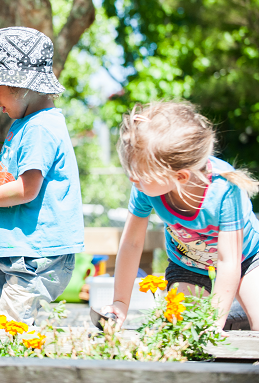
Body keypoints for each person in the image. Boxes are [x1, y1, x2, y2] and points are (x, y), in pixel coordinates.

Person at [0, 27, 85, 325]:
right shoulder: (25, 124)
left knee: (10, 335)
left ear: (22, 83)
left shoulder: (39, 127)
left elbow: (27, 190)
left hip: (35, 257)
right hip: (15, 252)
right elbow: (15, 188)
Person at [102, 101, 259, 330]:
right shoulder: (145, 186)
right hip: (188, 265)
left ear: (181, 177)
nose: (133, 180)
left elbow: (229, 262)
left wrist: (214, 323)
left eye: (139, 175)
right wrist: (120, 303)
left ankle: (235, 316)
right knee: (183, 332)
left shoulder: (224, 188)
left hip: (245, 260)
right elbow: (132, 244)